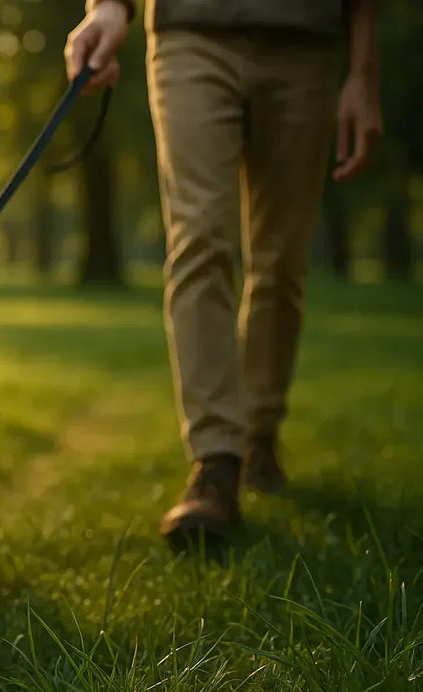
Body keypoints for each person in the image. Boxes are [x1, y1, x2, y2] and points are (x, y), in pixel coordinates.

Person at [64, 0, 383, 546]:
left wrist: (363, 73)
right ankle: (215, 463)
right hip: (191, 34)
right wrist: (110, 8)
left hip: (305, 43)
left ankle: (260, 435)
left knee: (281, 261)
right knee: (201, 238)